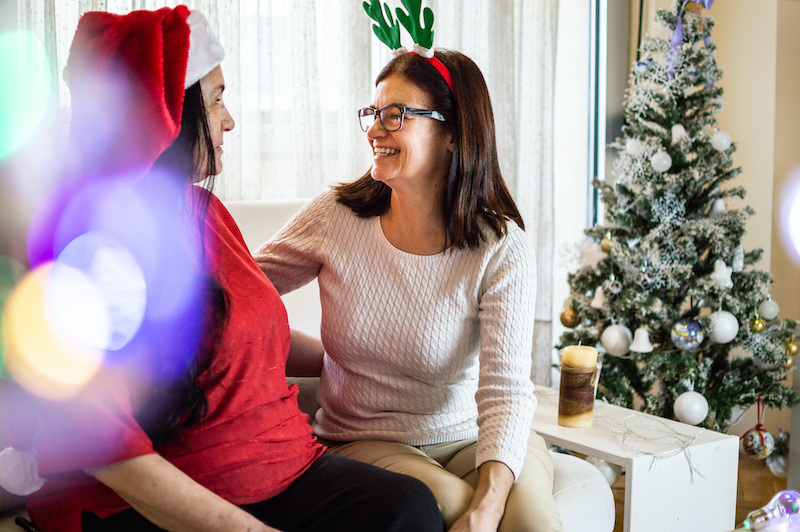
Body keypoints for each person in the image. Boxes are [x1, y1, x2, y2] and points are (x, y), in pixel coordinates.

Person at [21, 6, 445, 532]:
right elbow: (105, 448)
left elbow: (245, 327)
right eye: (216, 99)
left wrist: (371, 358)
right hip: (157, 498)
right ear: (164, 113)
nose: (229, 119)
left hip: (285, 469)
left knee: (408, 509)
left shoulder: (204, 212)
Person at [254, 46, 563, 531]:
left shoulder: (500, 245)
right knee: (448, 504)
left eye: (396, 115)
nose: (376, 129)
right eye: (374, 113)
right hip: (365, 438)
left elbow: (505, 392)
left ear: (454, 134)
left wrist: (491, 504)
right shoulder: (336, 217)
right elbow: (242, 293)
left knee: (530, 525)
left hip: (471, 437)